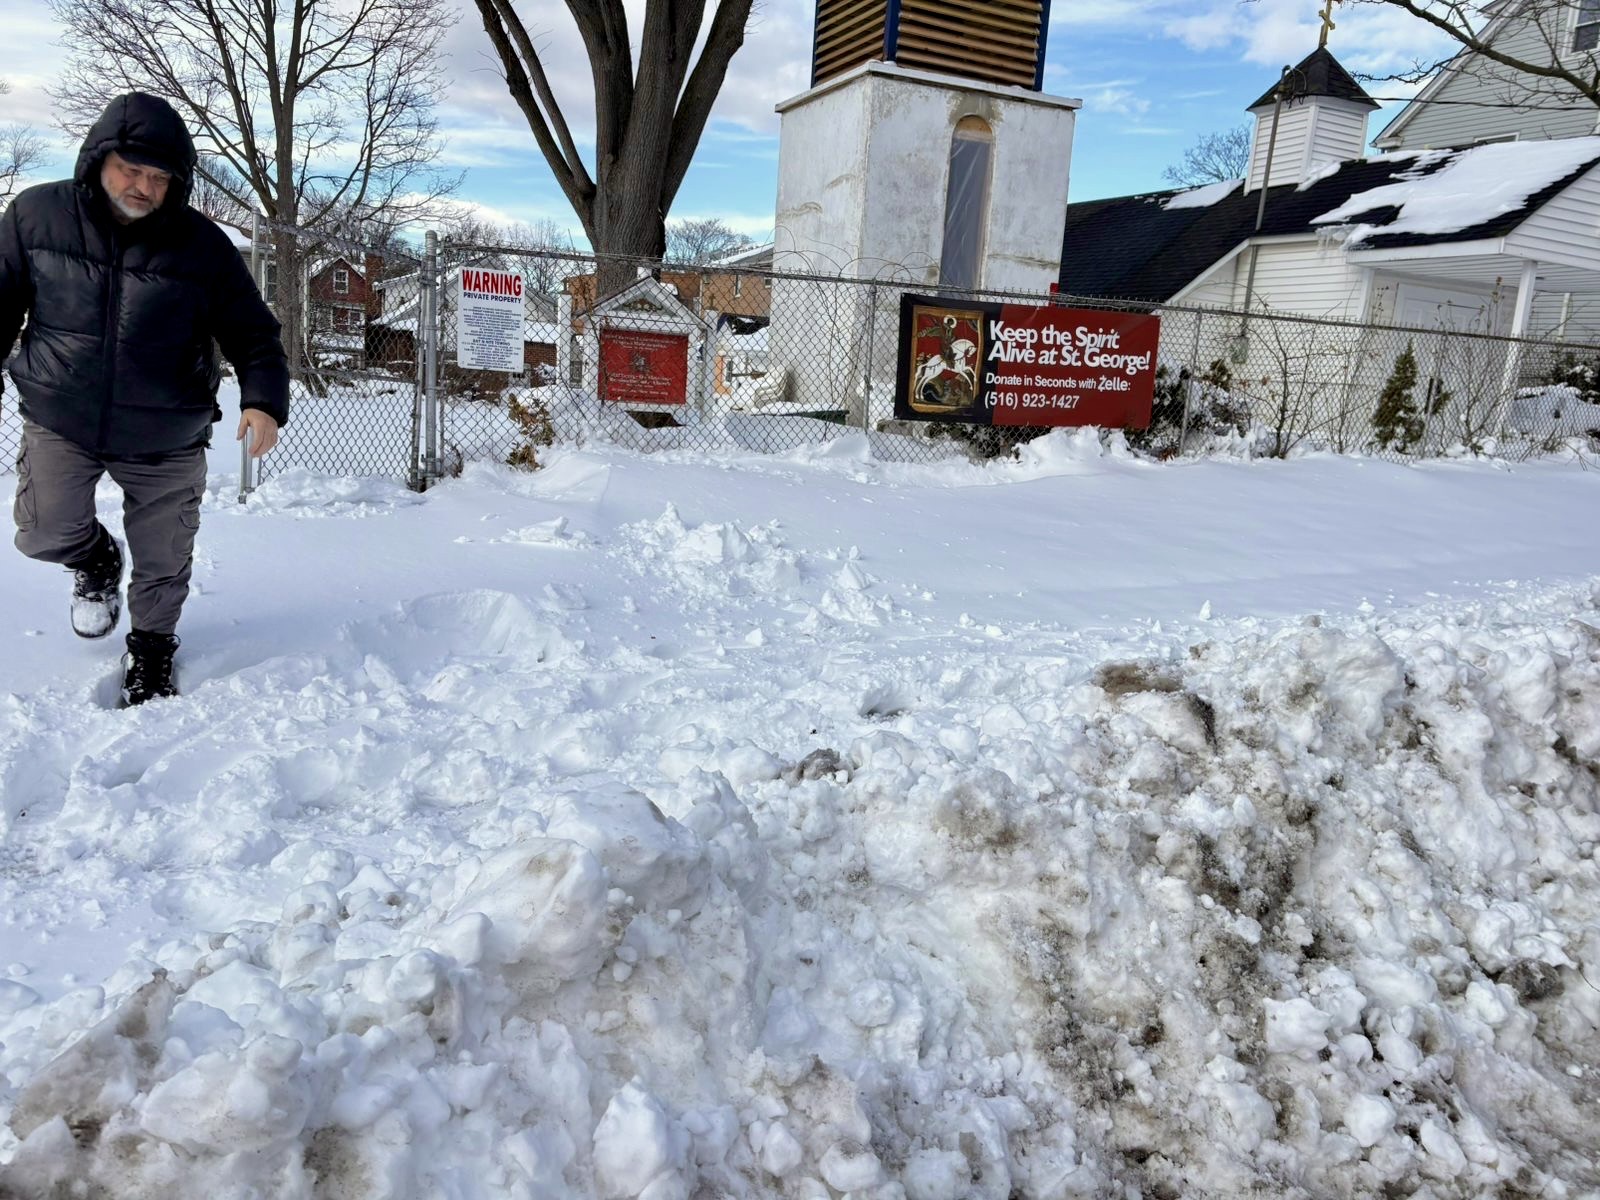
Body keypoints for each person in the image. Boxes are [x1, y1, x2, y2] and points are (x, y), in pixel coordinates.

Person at [0, 92, 289, 706]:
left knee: (164, 555)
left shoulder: (202, 246)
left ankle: (152, 649)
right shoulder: (35, 216)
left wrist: (262, 399)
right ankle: (96, 558)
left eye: (159, 178)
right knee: (41, 531)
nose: (144, 186)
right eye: (131, 169)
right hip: (62, 415)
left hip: (167, 429)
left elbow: (253, 332)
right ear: (98, 160)